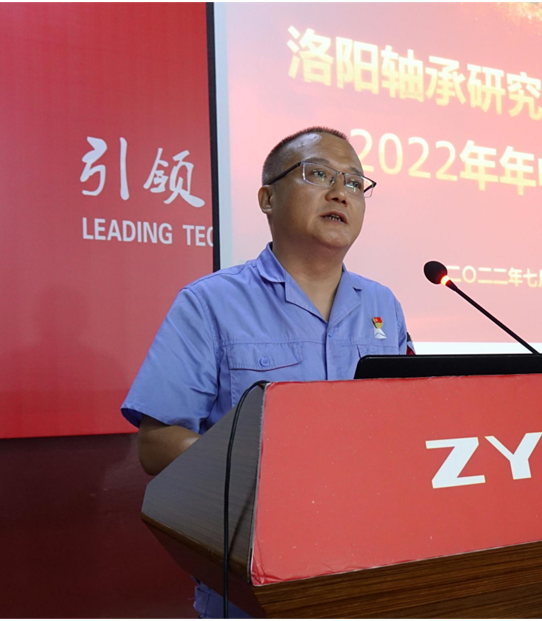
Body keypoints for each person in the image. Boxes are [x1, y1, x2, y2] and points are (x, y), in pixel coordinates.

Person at [120, 127, 413, 618]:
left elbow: (406, 424)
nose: (340, 192)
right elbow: (156, 444)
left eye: (354, 182)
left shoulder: (383, 305)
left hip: (369, 566)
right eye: (318, 173)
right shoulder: (210, 303)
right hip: (257, 577)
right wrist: (274, 474)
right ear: (267, 199)